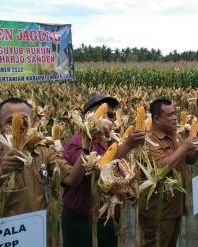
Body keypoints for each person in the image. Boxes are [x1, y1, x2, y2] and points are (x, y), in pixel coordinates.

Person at [0, 97, 86, 216]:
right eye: (11, 121)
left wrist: (87, 147)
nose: (20, 126)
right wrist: (2, 172)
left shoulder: (44, 151)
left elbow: (72, 179)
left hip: (41, 230)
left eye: (24, 120)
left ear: (34, 123)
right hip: (8, 232)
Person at [61, 94, 146, 247]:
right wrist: (127, 145)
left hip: (107, 217)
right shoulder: (77, 143)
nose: (112, 119)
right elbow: (95, 170)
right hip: (82, 222)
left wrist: (127, 189)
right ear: (88, 118)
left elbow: (118, 172)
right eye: (107, 114)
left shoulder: (112, 142)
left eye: (113, 114)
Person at [138, 98, 198, 247]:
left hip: (175, 207)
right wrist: (184, 148)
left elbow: (189, 159)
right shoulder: (148, 141)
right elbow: (161, 167)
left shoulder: (174, 135)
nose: (175, 117)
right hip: (158, 211)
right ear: (156, 119)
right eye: (170, 115)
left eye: (175, 113)